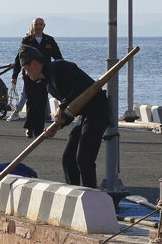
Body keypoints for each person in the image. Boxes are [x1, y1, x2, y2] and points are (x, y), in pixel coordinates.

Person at [19, 47, 109, 188]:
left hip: (97, 110)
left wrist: (61, 107)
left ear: (35, 64)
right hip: (84, 113)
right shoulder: (48, 83)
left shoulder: (58, 67)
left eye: (25, 68)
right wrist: (59, 125)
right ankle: (74, 191)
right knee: (68, 158)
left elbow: (79, 90)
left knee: (84, 159)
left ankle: (91, 195)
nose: (25, 73)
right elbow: (73, 107)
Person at [10, 17, 63, 138]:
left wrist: (61, 72)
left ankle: (38, 129)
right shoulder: (27, 40)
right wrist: (15, 76)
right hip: (29, 75)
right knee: (31, 102)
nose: (38, 27)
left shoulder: (49, 40)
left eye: (40, 24)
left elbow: (58, 57)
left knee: (41, 101)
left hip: (44, 76)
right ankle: (29, 128)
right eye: (36, 24)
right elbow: (18, 59)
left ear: (44, 26)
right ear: (32, 26)